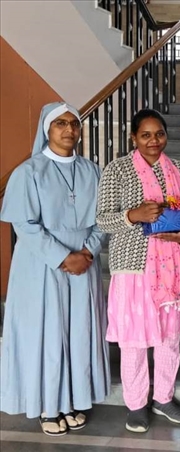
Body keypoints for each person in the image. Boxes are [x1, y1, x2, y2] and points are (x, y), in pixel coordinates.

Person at [0, 102, 109, 436]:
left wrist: (88, 251)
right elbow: (25, 224)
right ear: (47, 130)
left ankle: (73, 399)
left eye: (74, 123)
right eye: (60, 123)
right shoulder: (29, 172)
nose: (68, 129)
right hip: (42, 264)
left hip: (84, 263)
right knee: (46, 332)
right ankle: (49, 404)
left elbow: (103, 218)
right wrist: (63, 257)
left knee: (79, 331)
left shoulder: (92, 171)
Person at [97, 109, 180, 433]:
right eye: (145, 135)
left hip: (173, 269)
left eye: (159, 134)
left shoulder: (179, 169)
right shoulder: (117, 170)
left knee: (169, 338)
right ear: (133, 137)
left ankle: (164, 398)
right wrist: (134, 215)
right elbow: (102, 219)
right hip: (134, 267)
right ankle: (136, 404)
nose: (153, 141)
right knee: (134, 339)